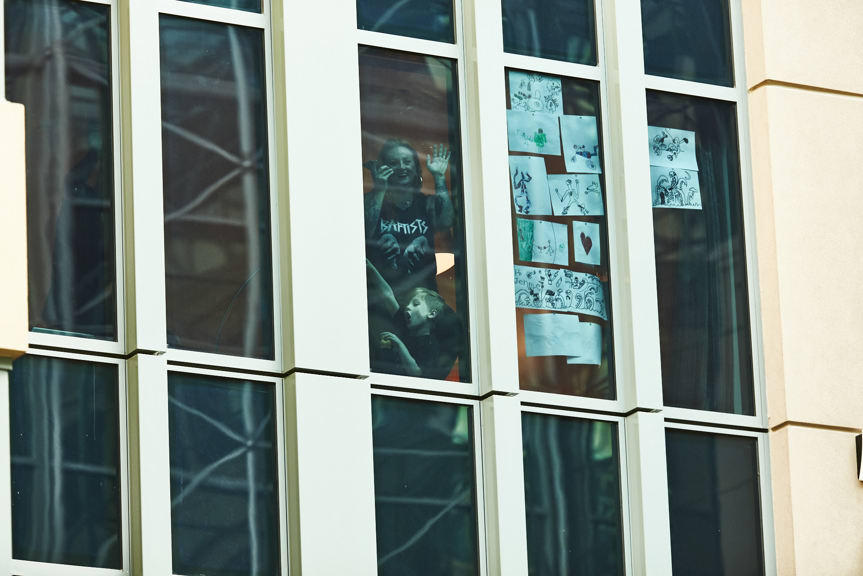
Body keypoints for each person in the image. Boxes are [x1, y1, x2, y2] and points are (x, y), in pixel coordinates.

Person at [364, 139, 454, 304]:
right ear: (383, 167)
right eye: (393, 162)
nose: (402, 167)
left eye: (407, 162)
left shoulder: (425, 203)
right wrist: (380, 189)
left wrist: (439, 178)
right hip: (381, 300)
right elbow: (364, 231)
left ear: (416, 168)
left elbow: (446, 222)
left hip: (424, 300)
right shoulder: (372, 200)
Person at [366, 259, 461, 380]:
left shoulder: (430, 345)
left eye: (415, 304)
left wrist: (399, 345)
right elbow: (387, 294)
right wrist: (371, 268)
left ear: (431, 314)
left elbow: (417, 373)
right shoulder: (404, 325)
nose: (408, 306)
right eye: (409, 303)